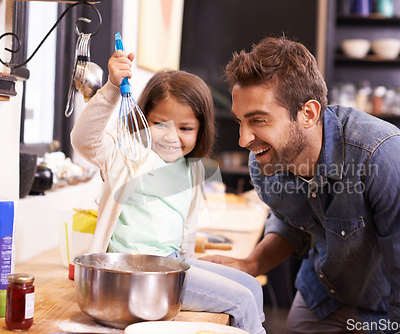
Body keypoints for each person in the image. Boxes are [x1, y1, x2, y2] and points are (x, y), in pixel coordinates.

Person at [200, 36, 400, 334]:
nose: (244, 140)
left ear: (308, 113)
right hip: (326, 292)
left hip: (398, 303)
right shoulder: (266, 162)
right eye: (242, 121)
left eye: (259, 120)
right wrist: (251, 264)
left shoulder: (383, 155)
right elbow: (292, 220)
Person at [70, 49, 265, 334]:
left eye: (185, 128)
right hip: (134, 273)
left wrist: (190, 260)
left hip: (173, 265)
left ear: (201, 130)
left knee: (251, 285)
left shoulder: (193, 169)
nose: (172, 137)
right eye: (160, 124)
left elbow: (182, 232)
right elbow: (83, 139)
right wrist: (112, 88)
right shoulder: (128, 155)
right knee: (242, 300)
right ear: (141, 119)